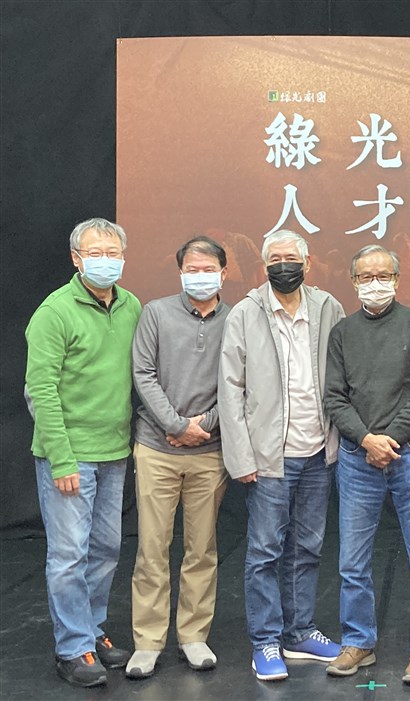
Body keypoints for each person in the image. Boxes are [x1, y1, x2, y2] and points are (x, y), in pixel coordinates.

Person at [218, 230, 344, 682]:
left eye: (292, 258)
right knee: (265, 552)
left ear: (307, 264)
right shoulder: (246, 313)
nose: (283, 265)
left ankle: (299, 631)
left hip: (318, 452)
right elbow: (230, 389)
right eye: (275, 259)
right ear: (265, 266)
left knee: (307, 548)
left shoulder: (328, 307)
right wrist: (241, 457)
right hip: (269, 456)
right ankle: (266, 641)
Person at [24, 218, 141, 687]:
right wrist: (62, 458)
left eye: (113, 253)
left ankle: (91, 631)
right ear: (76, 258)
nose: (105, 261)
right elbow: (40, 391)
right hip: (69, 454)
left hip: (114, 452)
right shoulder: (54, 312)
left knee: (106, 548)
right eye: (95, 253)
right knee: (69, 554)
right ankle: (73, 649)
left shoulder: (131, 306)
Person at [324, 245, 410, 686]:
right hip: (358, 458)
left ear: (396, 279)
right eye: (365, 277)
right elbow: (334, 397)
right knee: (352, 562)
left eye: (382, 276)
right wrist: (366, 439)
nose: (374, 284)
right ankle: (358, 642)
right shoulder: (342, 332)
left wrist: (388, 440)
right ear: (353, 282)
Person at [126, 236, 230, 678]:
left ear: (224, 273)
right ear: (180, 272)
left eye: (208, 269)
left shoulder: (237, 319)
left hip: (210, 451)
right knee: (152, 547)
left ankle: (193, 635)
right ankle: (148, 642)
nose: (200, 275)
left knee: (201, 549)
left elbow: (240, 381)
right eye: (192, 268)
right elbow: (143, 373)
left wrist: (204, 425)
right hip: (157, 447)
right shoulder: (156, 313)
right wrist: (175, 424)